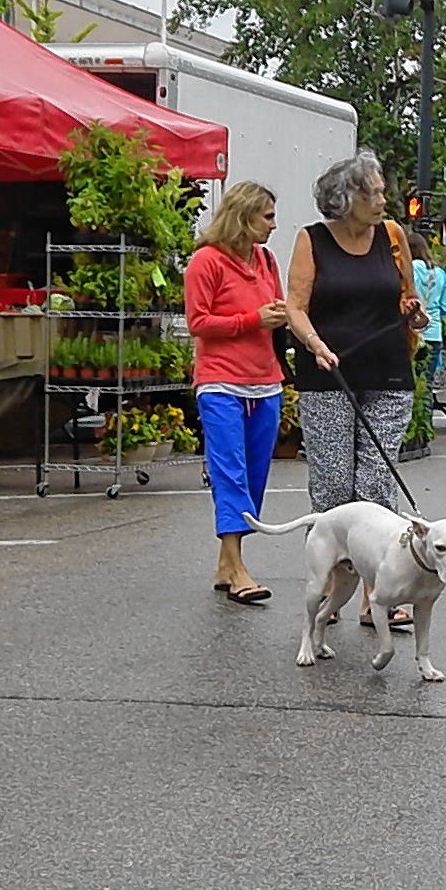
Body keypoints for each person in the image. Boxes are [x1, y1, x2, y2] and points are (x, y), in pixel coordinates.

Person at [285, 150, 429, 627]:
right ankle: (328, 587)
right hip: (329, 372)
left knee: (375, 486)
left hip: (388, 371)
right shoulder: (311, 240)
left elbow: (407, 296)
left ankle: (377, 594)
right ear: (348, 198)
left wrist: (414, 313)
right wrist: (314, 344)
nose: (385, 200)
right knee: (332, 486)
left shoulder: (392, 236)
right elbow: (295, 306)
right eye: (376, 192)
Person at [182, 180, 286, 606]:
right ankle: (239, 570)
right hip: (220, 382)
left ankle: (226, 564)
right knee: (230, 474)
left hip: (266, 381)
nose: (274, 225)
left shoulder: (265, 260)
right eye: (268, 216)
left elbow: (276, 309)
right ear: (244, 217)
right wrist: (252, 319)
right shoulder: (205, 261)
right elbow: (198, 322)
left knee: (256, 476)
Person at [410, 231, 446, 376]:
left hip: (412, 331)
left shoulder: (409, 268)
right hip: (434, 332)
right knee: (427, 380)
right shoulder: (440, 273)